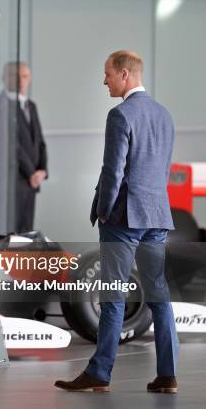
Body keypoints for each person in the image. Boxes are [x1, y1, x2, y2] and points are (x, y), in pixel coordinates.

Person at [54, 50, 179, 393]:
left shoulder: (121, 114)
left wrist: (104, 210)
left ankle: (100, 372)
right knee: (158, 295)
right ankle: (168, 375)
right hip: (156, 214)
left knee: (113, 296)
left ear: (125, 75)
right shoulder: (165, 115)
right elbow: (160, 168)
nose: (103, 81)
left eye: (107, 74)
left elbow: (113, 170)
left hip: (124, 217)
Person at [0, 62, 47, 233]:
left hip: (32, 180)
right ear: (3, 78)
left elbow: (39, 140)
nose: (20, 81)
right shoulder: (0, 105)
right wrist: (31, 172)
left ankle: (23, 260)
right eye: (14, 76)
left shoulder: (31, 105)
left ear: (29, 79)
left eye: (24, 76)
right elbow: (8, 144)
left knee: (26, 230)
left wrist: (43, 170)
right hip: (12, 179)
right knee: (8, 230)